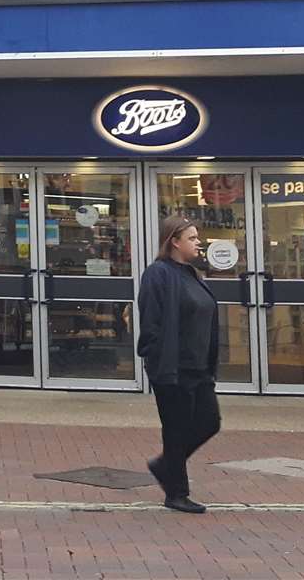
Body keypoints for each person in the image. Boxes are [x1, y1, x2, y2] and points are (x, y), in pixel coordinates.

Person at [138, 215, 222, 514]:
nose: (198, 242)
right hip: (173, 368)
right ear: (174, 240)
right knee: (175, 429)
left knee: (209, 422)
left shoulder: (192, 274)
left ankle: (165, 465)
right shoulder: (158, 274)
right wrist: (156, 357)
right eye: (192, 237)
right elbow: (151, 321)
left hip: (198, 368)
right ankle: (176, 493)